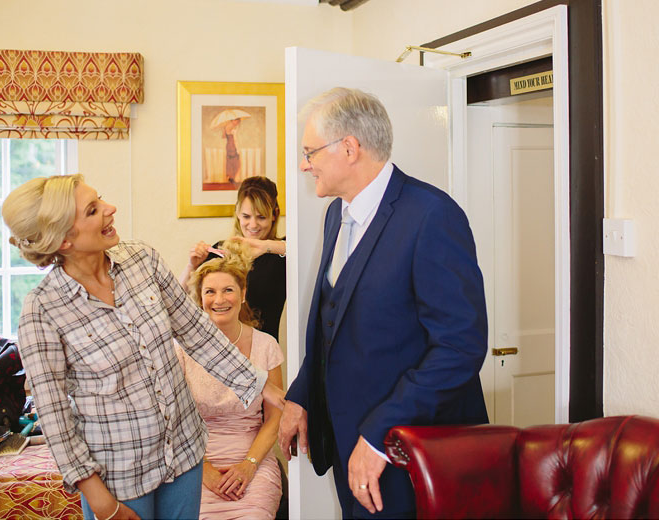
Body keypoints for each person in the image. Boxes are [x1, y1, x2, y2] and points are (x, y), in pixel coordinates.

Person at [2, 174, 283, 521]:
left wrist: (264, 388)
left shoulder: (142, 261)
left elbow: (196, 331)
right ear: (64, 240)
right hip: (118, 476)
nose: (110, 208)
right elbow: (54, 414)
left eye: (100, 198)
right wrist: (102, 503)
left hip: (183, 457)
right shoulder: (42, 310)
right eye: (93, 210)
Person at [277, 87, 489, 519]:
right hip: (347, 441)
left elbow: (459, 348)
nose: (304, 164)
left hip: (411, 453)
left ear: (349, 148)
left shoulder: (432, 216)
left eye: (309, 151)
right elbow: (332, 320)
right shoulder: (337, 214)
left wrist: (377, 436)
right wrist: (301, 395)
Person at [175, 241, 283, 519]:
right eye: (210, 291)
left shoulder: (266, 345)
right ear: (200, 298)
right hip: (194, 466)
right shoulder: (181, 349)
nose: (219, 299)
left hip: (253, 464)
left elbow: (275, 416)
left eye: (228, 290)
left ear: (243, 294)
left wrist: (248, 465)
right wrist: (204, 471)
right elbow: (170, 420)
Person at [179, 176, 286, 341]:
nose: (253, 225)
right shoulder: (220, 252)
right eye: (246, 216)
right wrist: (191, 266)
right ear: (237, 213)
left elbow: (306, 249)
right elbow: (177, 299)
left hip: (262, 352)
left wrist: (266, 246)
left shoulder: (283, 255)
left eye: (261, 217)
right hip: (219, 351)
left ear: (274, 214)